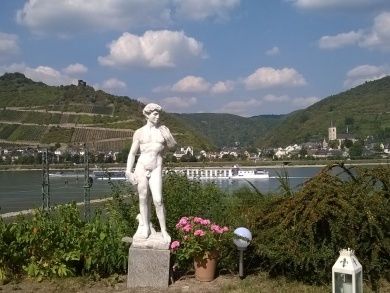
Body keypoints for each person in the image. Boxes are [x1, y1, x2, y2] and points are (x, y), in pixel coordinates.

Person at [125, 103, 176, 244]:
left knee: (158, 200)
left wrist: (169, 137)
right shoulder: (139, 132)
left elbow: (172, 148)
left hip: (156, 167)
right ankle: (146, 227)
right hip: (141, 167)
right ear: (147, 115)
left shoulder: (163, 131)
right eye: (155, 114)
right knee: (143, 198)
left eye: (159, 114)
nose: (158, 116)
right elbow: (132, 153)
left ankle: (164, 230)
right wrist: (128, 171)